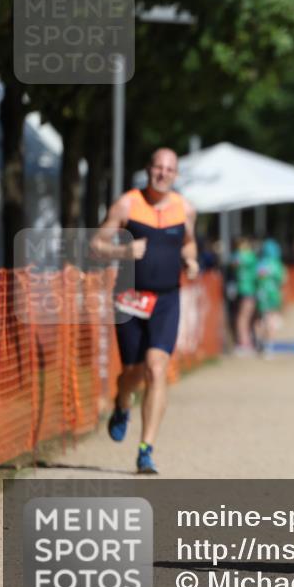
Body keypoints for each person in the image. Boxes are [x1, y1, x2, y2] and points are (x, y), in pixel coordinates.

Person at [91, 148, 198, 474]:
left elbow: (189, 242)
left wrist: (191, 260)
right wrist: (125, 249)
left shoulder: (185, 209)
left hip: (167, 299)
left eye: (169, 169)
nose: (162, 173)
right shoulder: (127, 204)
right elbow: (95, 245)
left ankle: (145, 449)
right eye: (157, 167)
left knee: (156, 367)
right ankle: (122, 404)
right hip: (129, 297)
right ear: (148, 169)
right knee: (133, 373)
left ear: (175, 175)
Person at [255, 238, 286, 358]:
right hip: (273, 295)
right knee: (271, 319)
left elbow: (256, 279)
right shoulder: (277, 265)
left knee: (260, 319)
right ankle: (269, 345)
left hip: (261, 295)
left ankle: (260, 342)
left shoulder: (260, 264)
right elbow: (282, 281)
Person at [232, 237, 258, 354]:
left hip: (246, 291)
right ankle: (246, 342)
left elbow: (235, 262)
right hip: (249, 291)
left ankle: (245, 343)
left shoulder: (240, 256)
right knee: (245, 318)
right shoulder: (250, 257)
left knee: (243, 318)